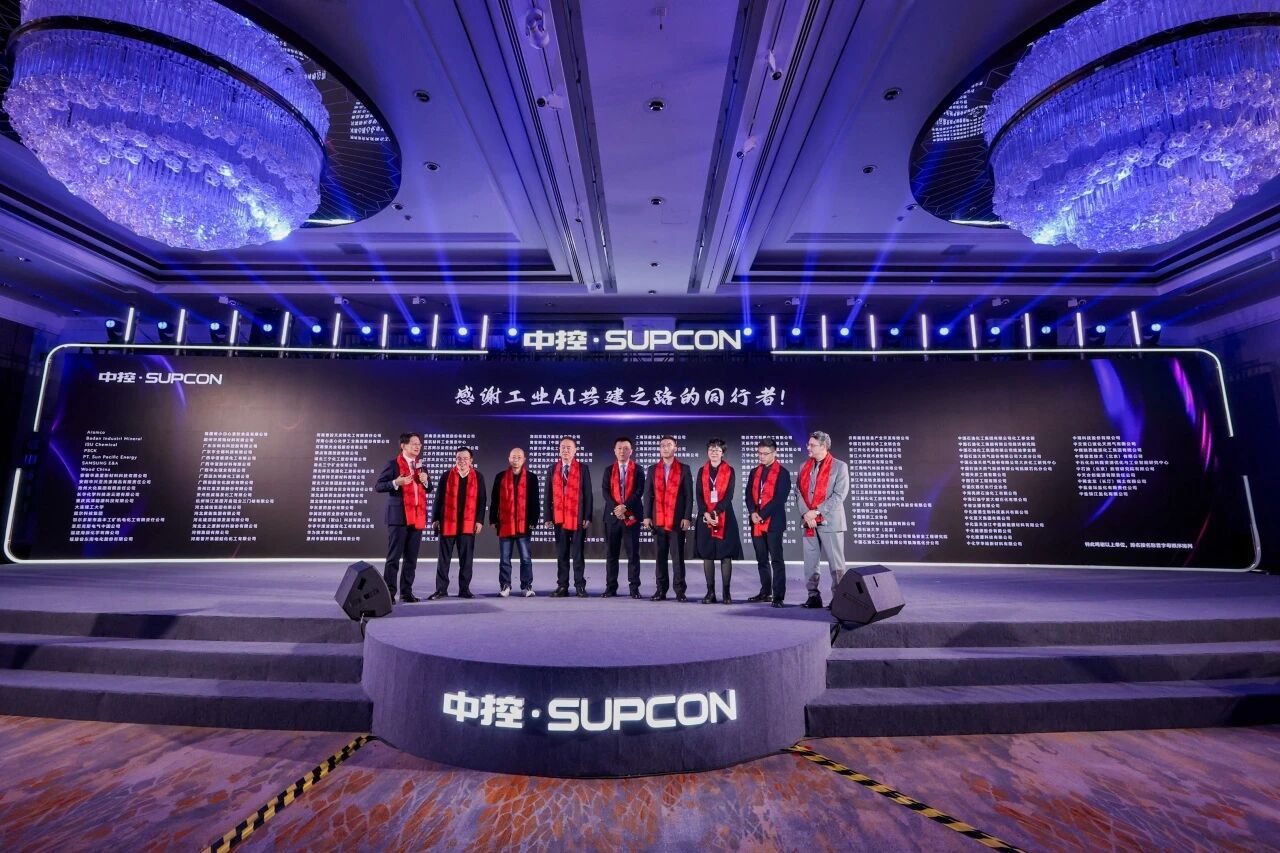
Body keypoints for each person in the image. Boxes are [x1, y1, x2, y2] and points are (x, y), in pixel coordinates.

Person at [374, 432, 431, 603]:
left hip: (417, 517)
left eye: (419, 444)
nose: (417, 446)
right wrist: (395, 483)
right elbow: (378, 486)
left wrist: (426, 481)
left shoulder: (421, 466)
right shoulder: (392, 464)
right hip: (399, 517)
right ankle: (389, 594)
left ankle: (406, 592)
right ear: (403, 446)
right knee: (393, 558)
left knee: (411, 559)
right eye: (414, 443)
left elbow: (429, 489)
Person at [796, 430, 849, 608]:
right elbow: (798, 492)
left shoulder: (840, 466)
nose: (808, 448)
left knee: (836, 564)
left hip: (830, 522)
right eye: (808, 444)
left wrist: (817, 512)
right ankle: (813, 596)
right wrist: (806, 513)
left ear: (824, 446)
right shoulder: (804, 466)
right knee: (810, 563)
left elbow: (839, 495)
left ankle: (839, 599)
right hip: (808, 522)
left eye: (812, 445)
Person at [429, 446, 486, 600]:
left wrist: (479, 520)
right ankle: (441, 589)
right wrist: (435, 518)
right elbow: (438, 498)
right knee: (443, 559)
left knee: (466, 559)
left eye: (465, 458)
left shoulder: (478, 477)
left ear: (471, 460)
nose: (462, 461)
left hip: (468, 523)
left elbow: (482, 500)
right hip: (447, 522)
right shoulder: (446, 475)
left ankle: (464, 589)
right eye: (459, 458)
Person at [642, 435, 693, 601]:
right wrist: (646, 516)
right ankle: (661, 590)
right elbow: (648, 494)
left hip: (677, 520)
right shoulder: (653, 469)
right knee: (660, 557)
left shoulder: (684, 469)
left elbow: (689, 496)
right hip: (658, 519)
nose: (665, 448)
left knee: (678, 557)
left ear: (675, 448)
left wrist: (687, 516)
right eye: (662, 445)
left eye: (669, 445)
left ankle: (680, 590)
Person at [693, 437, 744, 603]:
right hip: (705, 516)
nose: (714, 452)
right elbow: (698, 495)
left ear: (723, 453)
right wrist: (705, 513)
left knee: (725, 555)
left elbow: (729, 495)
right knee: (707, 554)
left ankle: (726, 593)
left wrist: (716, 511)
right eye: (711, 449)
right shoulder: (702, 471)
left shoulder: (730, 470)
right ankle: (710, 593)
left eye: (717, 450)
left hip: (725, 516)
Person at [545, 436, 592, 597]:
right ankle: (562, 586)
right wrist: (547, 517)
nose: (565, 450)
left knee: (578, 554)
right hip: (559, 518)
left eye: (568, 447)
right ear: (559, 450)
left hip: (577, 518)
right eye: (563, 447)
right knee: (562, 554)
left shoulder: (583, 468)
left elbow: (588, 494)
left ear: (575, 450)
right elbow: (547, 495)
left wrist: (587, 516)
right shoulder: (552, 468)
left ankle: (580, 586)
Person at [746, 438, 791, 607]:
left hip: (773, 522)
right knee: (762, 559)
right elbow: (748, 495)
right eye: (759, 453)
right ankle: (765, 592)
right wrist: (753, 512)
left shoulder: (783, 473)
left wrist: (762, 514)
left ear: (774, 453)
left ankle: (778, 596)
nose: (762, 456)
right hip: (756, 521)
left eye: (765, 453)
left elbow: (780, 498)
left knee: (776, 560)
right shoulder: (754, 472)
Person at [490, 447, 539, 597]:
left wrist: (534, 520)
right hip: (505, 524)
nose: (516, 459)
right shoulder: (500, 477)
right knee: (505, 559)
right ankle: (505, 585)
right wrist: (493, 519)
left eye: (519, 457)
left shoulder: (531, 477)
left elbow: (535, 501)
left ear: (524, 459)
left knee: (526, 558)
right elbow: (494, 500)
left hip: (524, 524)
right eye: (513, 457)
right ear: (509, 459)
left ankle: (526, 586)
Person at [601, 436, 646, 598]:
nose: (622, 451)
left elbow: (639, 491)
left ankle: (634, 588)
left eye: (626, 448)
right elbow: (605, 492)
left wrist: (625, 506)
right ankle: (611, 587)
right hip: (613, 517)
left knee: (633, 554)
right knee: (611, 554)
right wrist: (617, 508)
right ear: (614, 451)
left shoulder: (638, 469)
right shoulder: (608, 470)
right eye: (619, 448)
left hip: (631, 516)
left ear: (631, 451)